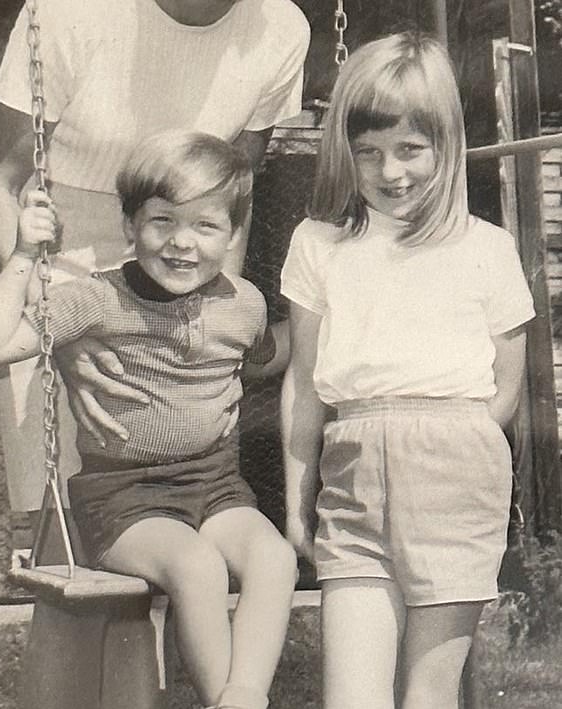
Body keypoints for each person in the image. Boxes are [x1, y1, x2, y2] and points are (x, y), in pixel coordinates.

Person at [0, 130, 298, 709]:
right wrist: (23, 256)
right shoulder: (95, 301)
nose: (181, 243)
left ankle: (243, 695)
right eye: (162, 221)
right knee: (196, 568)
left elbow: (270, 356)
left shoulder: (243, 304)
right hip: (125, 501)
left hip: (216, 486)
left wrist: (331, 311)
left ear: (233, 234)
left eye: (205, 226)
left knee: (274, 557)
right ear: (129, 226)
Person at [0, 0, 309, 514]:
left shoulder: (282, 28)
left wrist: (214, 330)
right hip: (55, 261)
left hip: (182, 263)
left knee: (182, 517)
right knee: (66, 535)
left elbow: (232, 194)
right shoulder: (67, 12)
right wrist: (59, 335)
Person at [280, 32, 535, 709]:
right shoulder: (319, 245)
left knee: (427, 695)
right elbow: (304, 385)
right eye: (369, 152)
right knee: (352, 698)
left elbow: (505, 385)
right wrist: (295, 497)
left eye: (410, 149)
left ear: (446, 145)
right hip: (352, 472)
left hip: (455, 475)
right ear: (346, 151)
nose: (390, 171)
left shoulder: (488, 249)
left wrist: (446, 448)